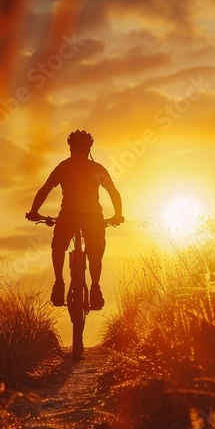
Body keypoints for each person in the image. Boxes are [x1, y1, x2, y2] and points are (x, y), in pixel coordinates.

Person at [26, 130, 124, 309]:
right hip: (93, 217)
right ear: (89, 148)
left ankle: (58, 285)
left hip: (68, 216)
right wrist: (118, 214)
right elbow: (113, 192)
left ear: (70, 147)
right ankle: (95, 289)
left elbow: (45, 189)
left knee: (58, 247)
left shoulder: (64, 167)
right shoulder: (97, 169)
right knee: (95, 254)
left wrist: (34, 211)